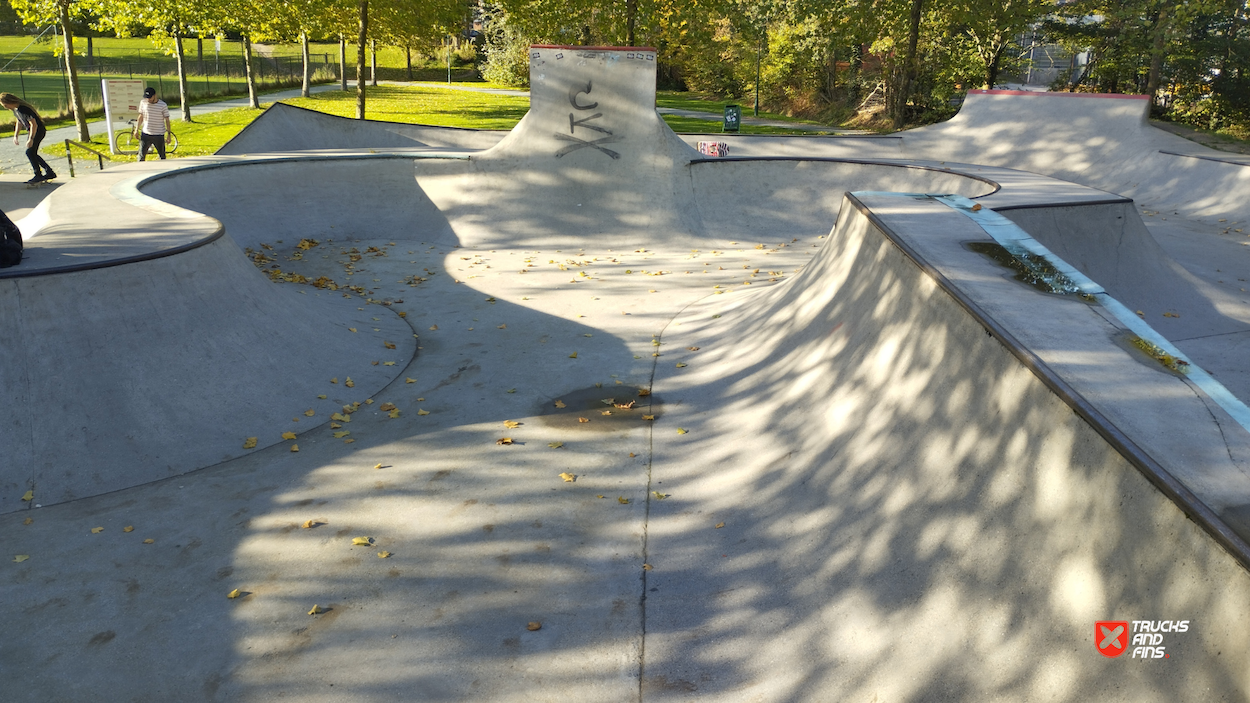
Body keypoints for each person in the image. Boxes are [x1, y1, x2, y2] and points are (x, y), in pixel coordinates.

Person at [0, 93, 56, 184]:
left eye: (5, 105)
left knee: (29, 152)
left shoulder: (24, 109)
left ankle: (38, 175)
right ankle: (49, 172)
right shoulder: (16, 110)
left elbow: (34, 124)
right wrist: (15, 135)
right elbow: (19, 121)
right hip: (33, 132)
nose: (6, 108)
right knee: (32, 153)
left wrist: (31, 139)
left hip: (38, 131)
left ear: (10, 102)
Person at [136, 87, 172, 161]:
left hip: (158, 134)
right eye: (147, 98)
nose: (148, 100)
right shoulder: (143, 102)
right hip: (146, 133)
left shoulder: (162, 105)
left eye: (150, 97)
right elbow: (141, 116)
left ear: (155, 95)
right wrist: (136, 129)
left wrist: (169, 134)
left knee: (162, 156)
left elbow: (167, 120)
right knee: (141, 155)